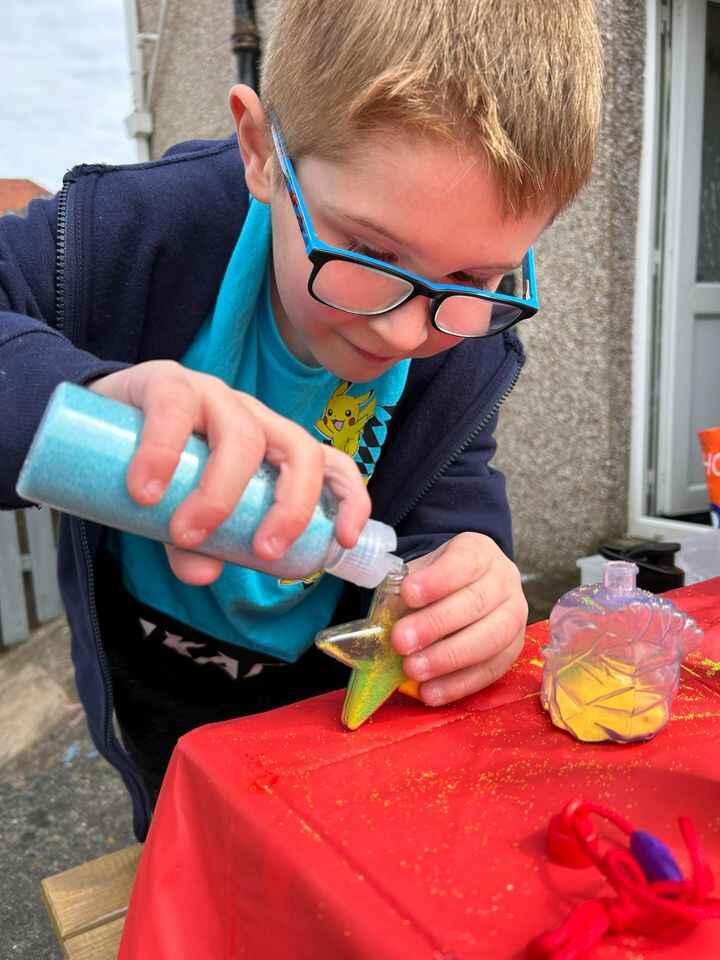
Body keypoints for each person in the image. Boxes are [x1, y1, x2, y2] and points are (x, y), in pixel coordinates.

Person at [0, 0, 603, 840]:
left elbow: (449, 486)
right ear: (260, 152)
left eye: (476, 275)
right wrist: (86, 398)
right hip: (149, 677)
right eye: (371, 255)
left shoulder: (466, 343)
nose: (405, 332)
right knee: (180, 846)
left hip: (325, 698)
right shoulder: (126, 234)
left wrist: (471, 575)